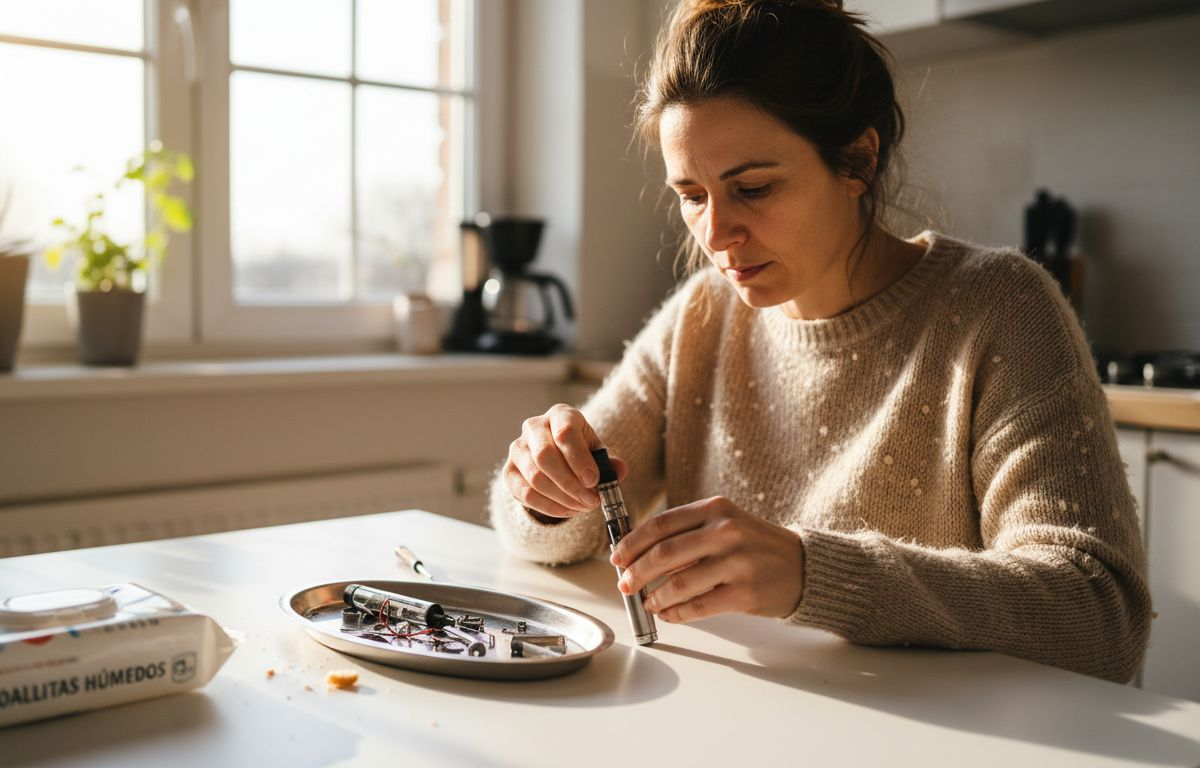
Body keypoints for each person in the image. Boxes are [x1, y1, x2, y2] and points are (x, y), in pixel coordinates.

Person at [487, 0, 1150, 683]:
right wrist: (543, 491)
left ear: (858, 160)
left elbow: (1101, 616)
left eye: (752, 188)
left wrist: (812, 574)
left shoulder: (1000, 308)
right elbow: (543, 533)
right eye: (691, 195)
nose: (715, 235)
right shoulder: (704, 314)